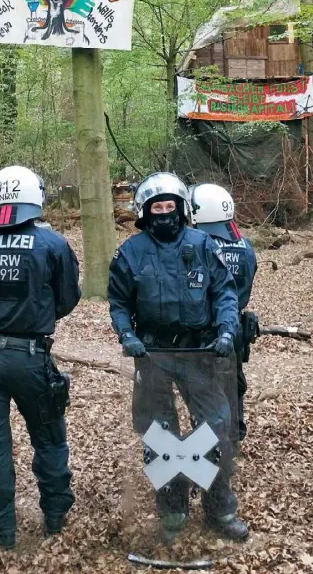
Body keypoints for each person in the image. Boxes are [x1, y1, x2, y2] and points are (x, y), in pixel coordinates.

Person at [108, 172, 248, 542]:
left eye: (171, 206)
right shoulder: (130, 253)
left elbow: (226, 294)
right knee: (161, 435)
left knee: (216, 429)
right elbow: (119, 303)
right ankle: (172, 508)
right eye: (158, 207)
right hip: (152, 353)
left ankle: (219, 508)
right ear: (145, 211)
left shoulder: (204, 244)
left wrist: (226, 330)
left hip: (200, 352)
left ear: (182, 208)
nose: (165, 213)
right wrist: (126, 335)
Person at [0, 165, 80, 549]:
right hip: (30, 357)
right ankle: (55, 513)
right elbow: (67, 299)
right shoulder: (53, 245)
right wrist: (35, 315)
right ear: (34, 198)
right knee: (49, 438)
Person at [190, 183, 258, 441]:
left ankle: (209, 437)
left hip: (205, 329)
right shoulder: (246, 245)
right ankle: (234, 431)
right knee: (233, 381)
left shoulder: (198, 246)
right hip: (236, 327)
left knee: (203, 386)